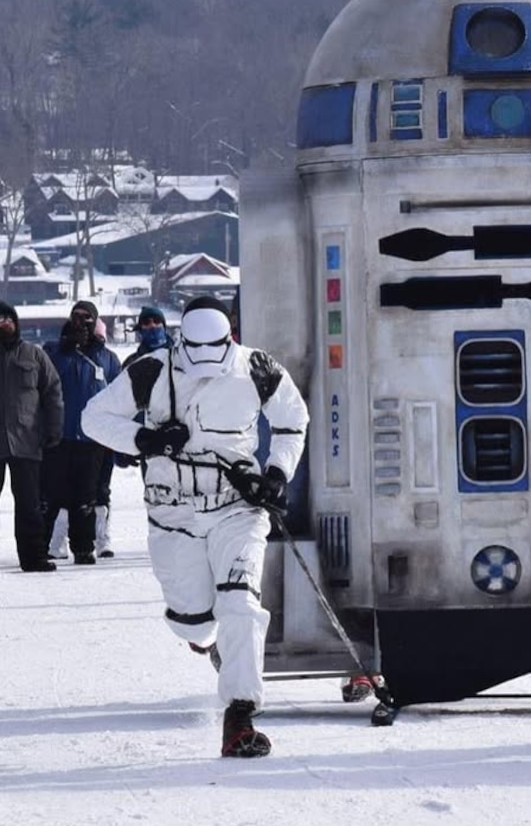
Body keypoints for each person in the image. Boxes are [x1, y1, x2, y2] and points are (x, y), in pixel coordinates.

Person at [82, 296, 309, 758]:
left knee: (241, 604)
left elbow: (293, 420)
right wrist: (144, 438)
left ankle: (240, 715)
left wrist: (277, 473)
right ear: (180, 338)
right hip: (174, 513)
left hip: (237, 508)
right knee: (192, 620)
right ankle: (208, 642)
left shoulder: (258, 368)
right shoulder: (150, 370)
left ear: (231, 339)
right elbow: (93, 418)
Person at [42, 301, 121, 564]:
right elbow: (45, 382)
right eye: (76, 316)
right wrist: (68, 347)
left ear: (94, 320)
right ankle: (51, 544)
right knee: (56, 493)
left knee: (87, 495)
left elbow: (118, 398)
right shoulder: (55, 351)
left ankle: (84, 546)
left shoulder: (107, 357)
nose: (81, 321)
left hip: (93, 437)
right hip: (61, 434)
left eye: (87, 317)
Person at [0, 299, 64, 572]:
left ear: (15, 323)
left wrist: (53, 429)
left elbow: (53, 393)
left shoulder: (34, 355)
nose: (3, 323)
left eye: (7, 318)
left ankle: (33, 556)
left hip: (26, 440)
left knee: (29, 503)